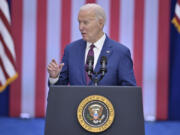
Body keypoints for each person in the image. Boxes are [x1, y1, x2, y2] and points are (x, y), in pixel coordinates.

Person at [47, 3, 136, 86]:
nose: (80, 27)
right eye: (79, 22)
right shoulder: (71, 50)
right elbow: (59, 91)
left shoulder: (120, 53)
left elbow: (128, 92)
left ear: (100, 23)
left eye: (85, 22)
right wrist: (54, 77)